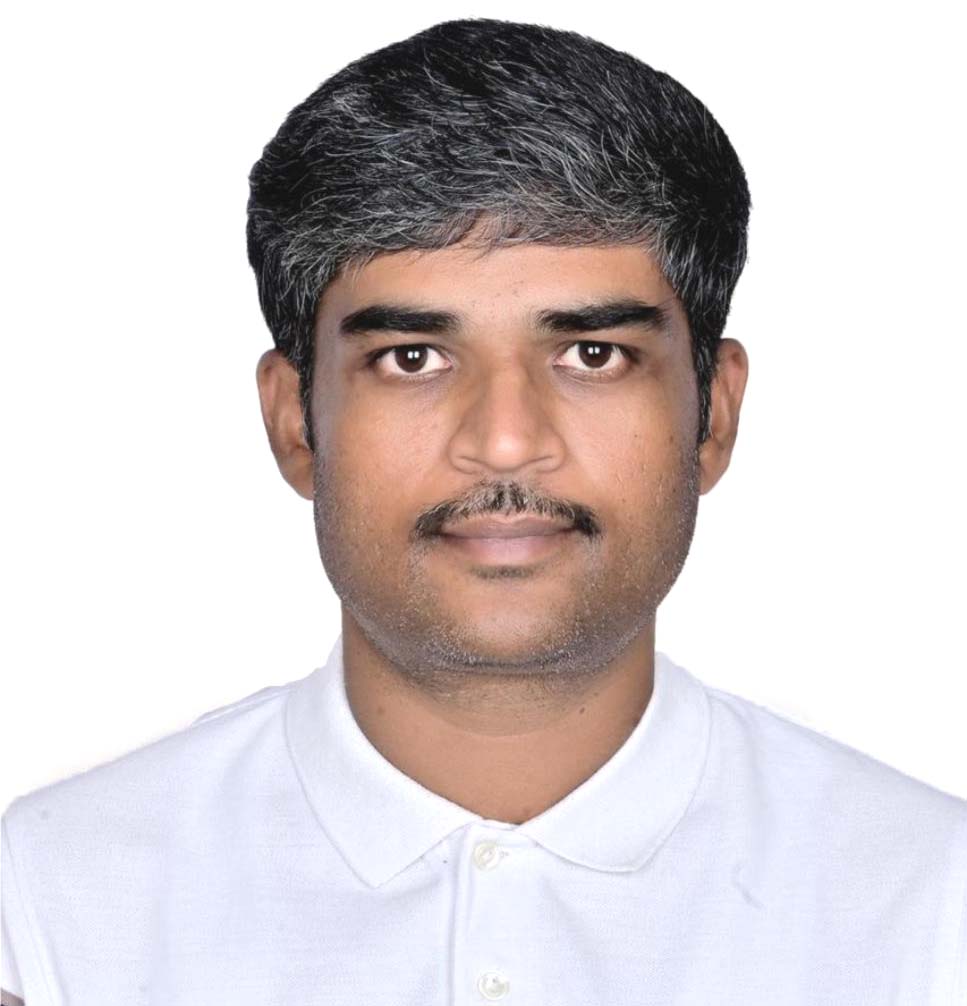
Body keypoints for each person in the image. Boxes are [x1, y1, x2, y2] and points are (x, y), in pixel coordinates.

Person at [2, 16, 965, 1005]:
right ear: (295, 422)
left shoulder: (933, 905)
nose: (505, 442)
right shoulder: (47, 912)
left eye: (592, 354)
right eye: (412, 357)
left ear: (712, 415)